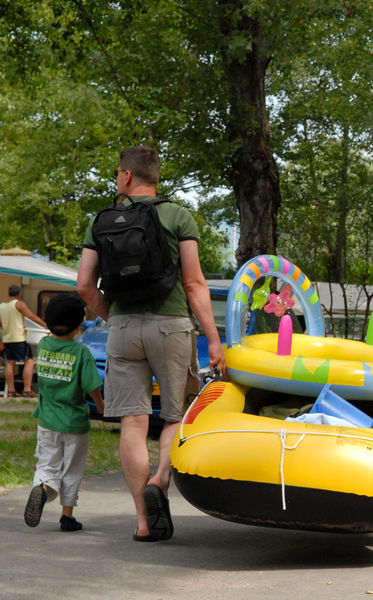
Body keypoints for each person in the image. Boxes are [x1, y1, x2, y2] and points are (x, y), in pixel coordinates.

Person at [77, 145, 226, 542]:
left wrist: (114, 317)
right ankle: (159, 480)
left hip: (123, 327)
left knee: (133, 421)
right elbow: (194, 284)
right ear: (155, 176)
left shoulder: (102, 221)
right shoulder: (178, 215)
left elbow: (84, 285)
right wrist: (213, 340)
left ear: (126, 177)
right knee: (174, 416)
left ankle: (144, 520)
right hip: (172, 327)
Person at [23, 293, 104, 532]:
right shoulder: (81, 353)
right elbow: (91, 386)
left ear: (47, 322)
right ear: (80, 325)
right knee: (71, 469)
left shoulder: (45, 346)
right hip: (75, 424)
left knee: (47, 465)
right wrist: (100, 405)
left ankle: (43, 489)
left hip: (47, 420)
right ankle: (67, 516)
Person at [0, 284, 48, 397]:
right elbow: (31, 316)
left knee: (10, 363)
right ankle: (27, 390)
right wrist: (45, 325)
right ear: (19, 294)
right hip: (18, 338)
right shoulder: (19, 304)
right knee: (29, 362)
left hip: (7, 338)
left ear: (9, 293)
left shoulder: (2, 306)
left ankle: (11, 391)